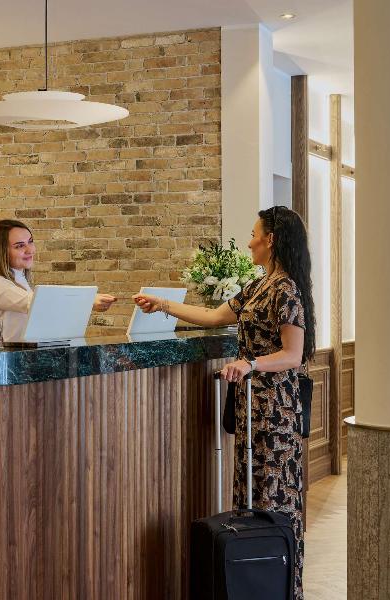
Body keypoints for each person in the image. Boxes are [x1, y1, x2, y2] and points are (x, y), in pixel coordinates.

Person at [133, 205, 315, 599]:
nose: (249, 242)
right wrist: (162, 305)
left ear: (270, 240)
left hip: (276, 411)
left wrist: (249, 364)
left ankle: (280, 587)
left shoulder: (286, 289)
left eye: (254, 234)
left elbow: (292, 355)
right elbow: (213, 316)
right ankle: (253, 584)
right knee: (250, 495)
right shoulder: (259, 286)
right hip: (252, 407)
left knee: (273, 498)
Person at [0, 219, 117, 342]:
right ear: (1, 251)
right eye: (19, 246)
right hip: (5, 361)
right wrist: (87, 300)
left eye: (30, 242)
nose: (30, 250)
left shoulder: (20, 280)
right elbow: (36, 303)